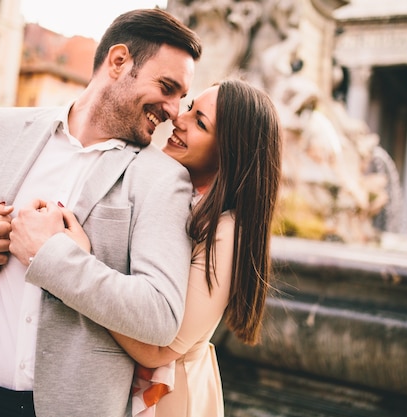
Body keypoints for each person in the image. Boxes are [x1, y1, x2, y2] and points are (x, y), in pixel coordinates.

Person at [0, 8, 201, 417]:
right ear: (119, 61)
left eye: (182, 97)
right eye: (167, 87)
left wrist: (51, 256)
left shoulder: (163, 179)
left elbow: (159, 316)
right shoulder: (4, 127)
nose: (175, 111)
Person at [42, 79, 283, 416]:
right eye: (189, 109)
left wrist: (75, 262)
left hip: (167, 401)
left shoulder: (227, 232)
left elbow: (158, 348)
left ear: (230, 152)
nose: (178, 120)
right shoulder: (175, 196)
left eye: (200, 123)